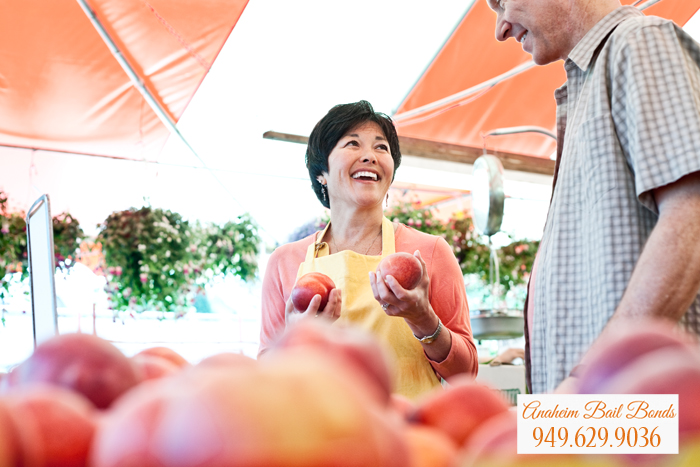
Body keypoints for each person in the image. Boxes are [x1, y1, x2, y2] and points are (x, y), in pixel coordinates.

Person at [486, 0, 700, 394]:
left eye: (500, 2)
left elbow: (693, 216)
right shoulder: (590, 83)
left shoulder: (639, 42)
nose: (500, 28)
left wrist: (589, 380)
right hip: (600, 411)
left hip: (629, 409)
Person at [259, 101, 478, 399]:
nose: (369, 156)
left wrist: (423, 318)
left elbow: (466, 374)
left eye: (381, 148)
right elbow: (264, 379)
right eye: (352, 144)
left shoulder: (429, 253)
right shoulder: (285, 262)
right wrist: (298, 339)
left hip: (409, 437)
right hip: (316, 437)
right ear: (321, 172)